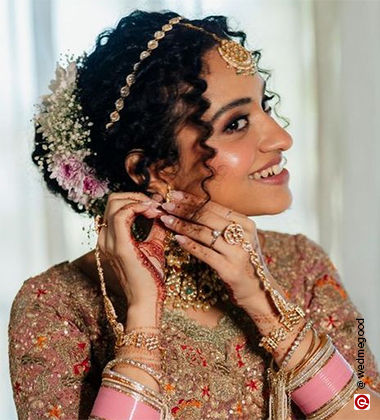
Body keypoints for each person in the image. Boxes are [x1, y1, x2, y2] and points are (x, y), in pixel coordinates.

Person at [8, 10, 380, 420]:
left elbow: (368, 406)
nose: (281, 137)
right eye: (237, 123)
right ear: (151, 170)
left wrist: (269, 310)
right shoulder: (56, 304)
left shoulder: (306, 266)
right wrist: (142, 324)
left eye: (265, 105)